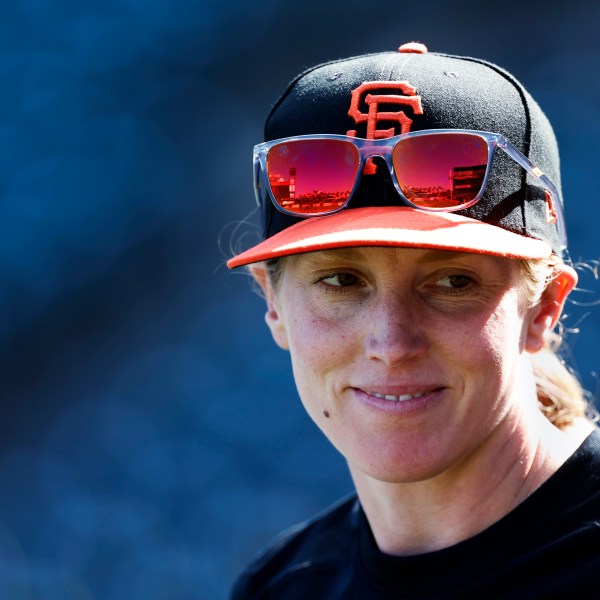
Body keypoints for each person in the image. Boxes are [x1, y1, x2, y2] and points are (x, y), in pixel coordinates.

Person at [227, 42, 600, 599]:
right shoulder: (281, 586)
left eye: (452, 282)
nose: (392, 342)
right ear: (273, 303)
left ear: (544, 306)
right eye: (341, 281)